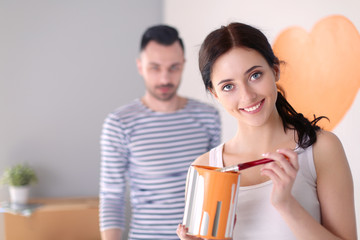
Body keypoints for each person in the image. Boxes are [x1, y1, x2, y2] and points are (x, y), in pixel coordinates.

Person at [177, 22, 357, 239]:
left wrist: (286, 205)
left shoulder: (321, 149)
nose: (247, 96)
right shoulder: (204, 169)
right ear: (214, 93)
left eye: (254, 75)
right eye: (228, 86)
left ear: (275, 69)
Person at [99, 25, 221, 240]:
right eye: (155, 68)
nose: (165, 79)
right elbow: (112, 197)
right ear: (140, 66)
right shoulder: (119, 123)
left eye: (173, 67)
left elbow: (215, 186)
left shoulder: (208, 116)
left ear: (183, 65)